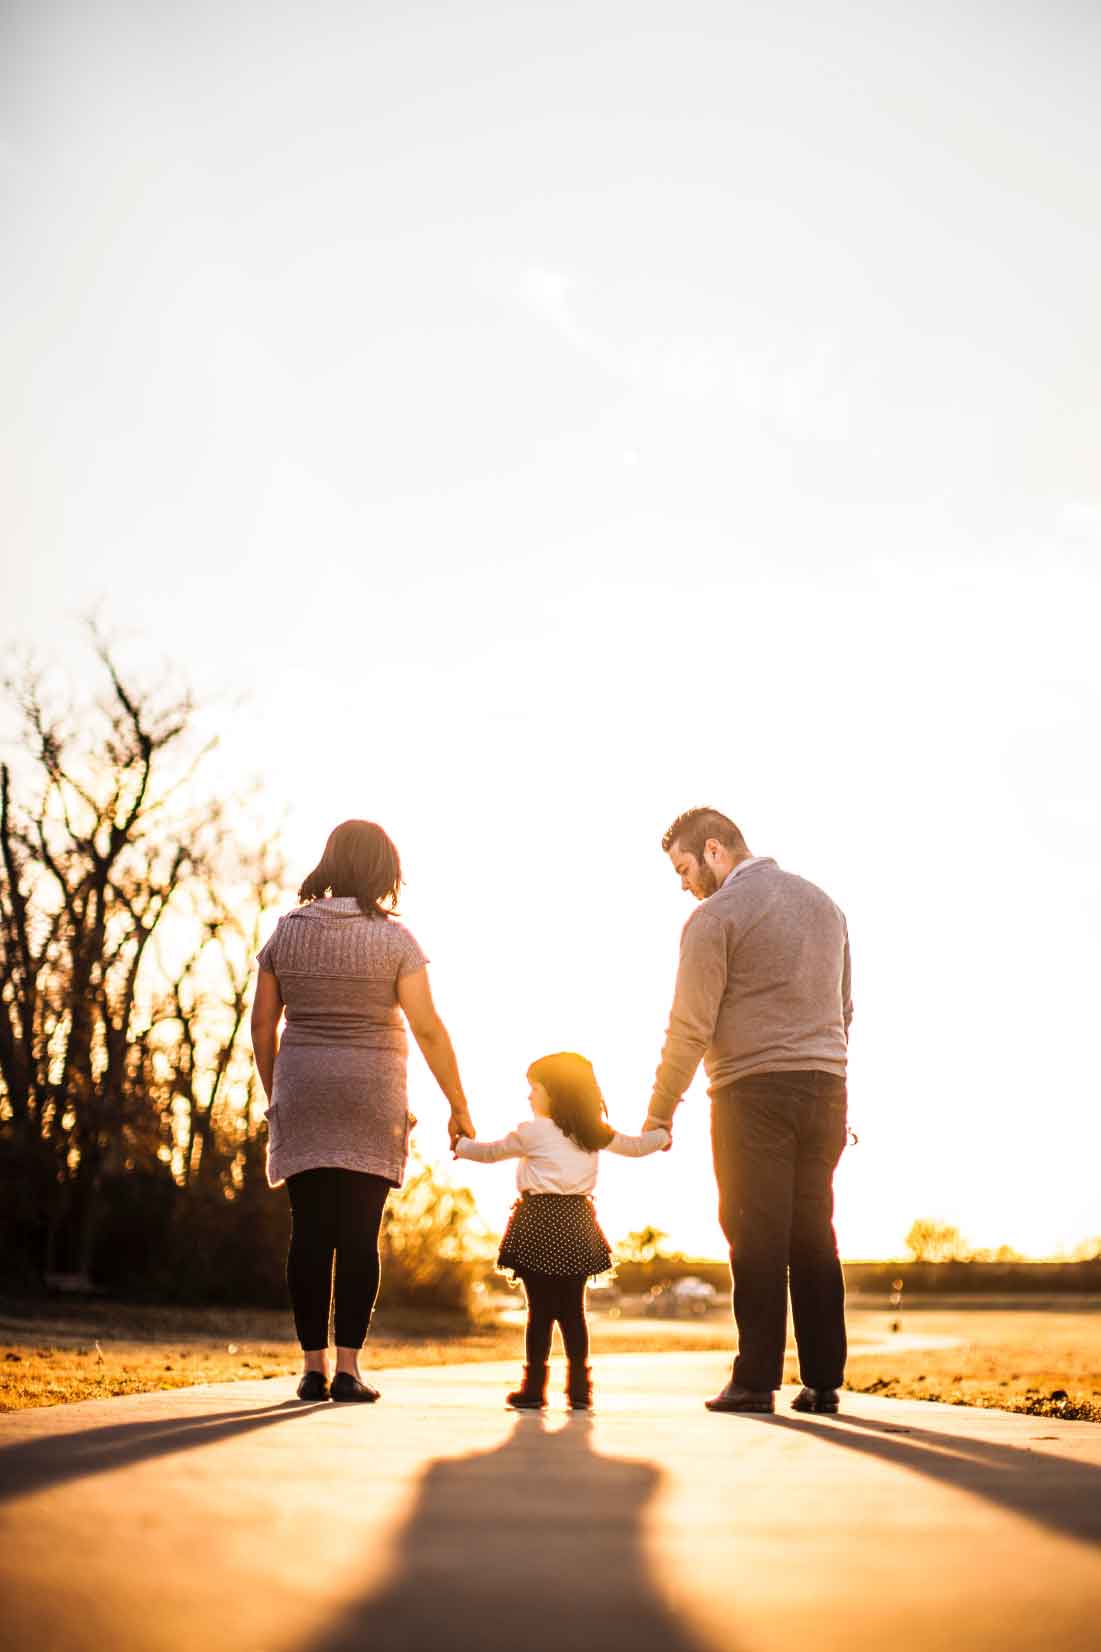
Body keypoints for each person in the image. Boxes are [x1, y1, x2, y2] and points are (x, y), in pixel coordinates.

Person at [251, 819, 476, 1404]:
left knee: (308, 1233)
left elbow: (262, 1023)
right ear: (383, 870)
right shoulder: (396, 940)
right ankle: (348, 1370)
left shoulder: (286, 931)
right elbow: (428, 1028)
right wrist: (458, 1104)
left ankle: (312, 1368)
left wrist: (278, 1094)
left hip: (303, 1092)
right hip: (371, 1098)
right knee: (358, 1235)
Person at [643, 807, 852, 1416]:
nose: (685, 884)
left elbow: (690, 1026)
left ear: (714, 850)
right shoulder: (826, 906)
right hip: (827, 1087)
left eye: (684, 869)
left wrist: (660, 1111)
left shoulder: (715, 917)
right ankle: (822, 1382)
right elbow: (844, 1008)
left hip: (751, 1092)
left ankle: (755, 1381)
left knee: (755, 1232)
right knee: (813, 1230)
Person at [456, 1051, 669, 1411]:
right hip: (576, 1223)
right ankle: (580, 1389)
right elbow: (636, 1147)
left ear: (554, 1091)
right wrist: (662, 1136)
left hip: (538, 1223)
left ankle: (534, 1388)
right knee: (573, 1312)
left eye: (535, 1088)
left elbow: (489, 1153)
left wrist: (459, 1145)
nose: (529, 1095)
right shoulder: (592, 1132)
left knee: (539, 1312)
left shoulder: (533, 1131)